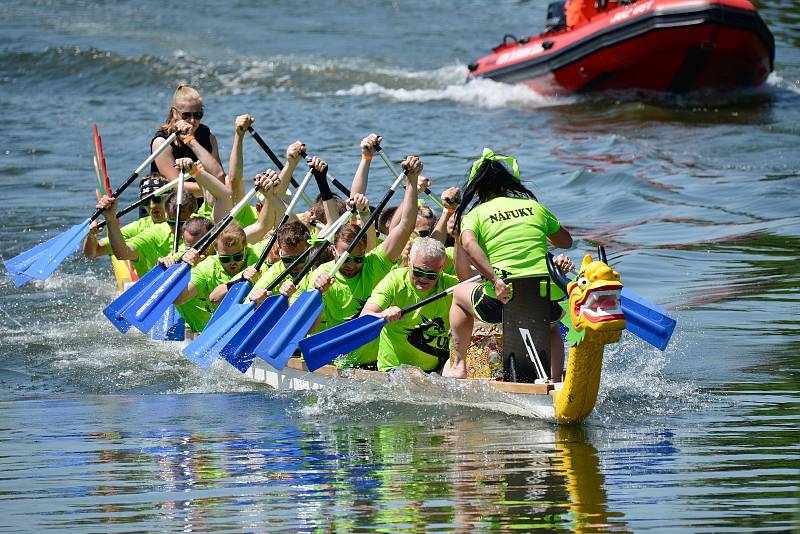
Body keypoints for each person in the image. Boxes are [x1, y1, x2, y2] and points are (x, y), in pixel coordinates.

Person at [443, 148, 574, 381]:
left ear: (478, 188)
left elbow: (469, 250)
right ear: (508, 184)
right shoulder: (536, 208)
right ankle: (554, 382)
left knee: (458, 295)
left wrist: (494, 279)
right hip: (545, 297)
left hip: (501, 298)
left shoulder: (475, 215)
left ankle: (459, 366)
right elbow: (566, 242)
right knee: (551, 326)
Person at [309, 155, 422, 369]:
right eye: (345, 258)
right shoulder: (321, 276)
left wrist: (412, 182)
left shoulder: (374, 263)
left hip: (376, 364)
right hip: (341, 364)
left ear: (365, 252)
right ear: (333, 251)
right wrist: (317, 296)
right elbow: (310, 330)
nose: (351, 264)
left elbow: (406, 225)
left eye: (357, 259)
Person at [362, 238, 459, 372]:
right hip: (394, 370)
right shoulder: (394, 281)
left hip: (437, 370)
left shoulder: (452, 286)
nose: (424, 279)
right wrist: (382, 315)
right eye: (418, 272)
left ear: (441, 268)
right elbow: (364, 317)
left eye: (431, 275)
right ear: (409, 261)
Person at [150, 84, 226, 201]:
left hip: (203, 201)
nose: (192, 120)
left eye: (197, 115)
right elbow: (175, 186)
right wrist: (214, 188)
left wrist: (217, 187)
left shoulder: (208, 136)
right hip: (168, 206)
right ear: (174, 113)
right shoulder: (162, 142)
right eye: (186, 115)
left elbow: (220, 177)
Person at [83, 173, 168, 276]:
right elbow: (92, 253)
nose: (152, 206)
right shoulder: (138, 227)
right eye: (145, 202)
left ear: (170, 198)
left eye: (157, 199)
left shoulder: (187, 221)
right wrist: (91, 235)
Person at [98, 189, 199, 276]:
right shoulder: (156, 232)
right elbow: (122, 253)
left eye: (182, 223)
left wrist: (197, 172)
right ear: (167, 215)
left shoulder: (204, 226)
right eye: (172, 223)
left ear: (195, 217)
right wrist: (111, 220)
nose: (179, 228)